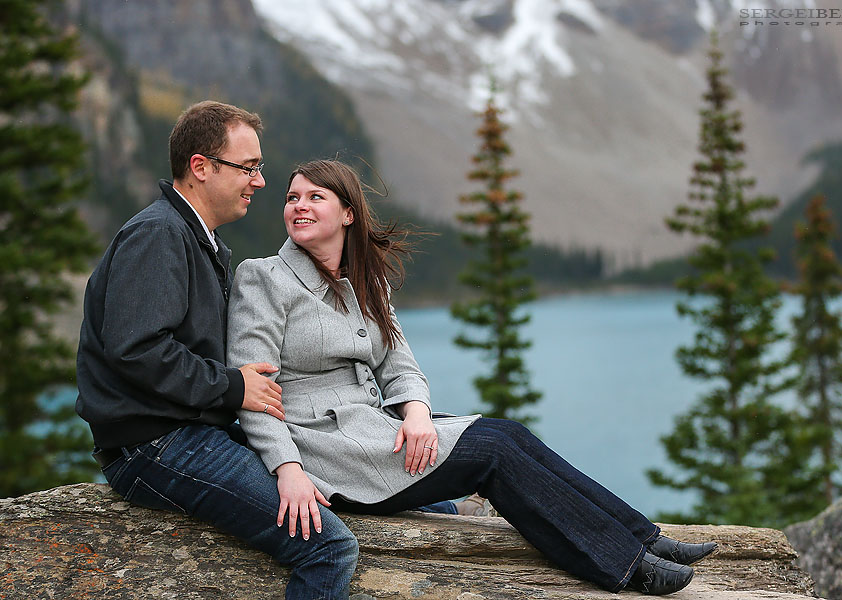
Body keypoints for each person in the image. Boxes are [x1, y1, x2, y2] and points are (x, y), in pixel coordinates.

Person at [226, 159, 717, 595]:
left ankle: (644, 537)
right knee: (494, 454)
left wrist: (416, 415)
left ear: (348, 213)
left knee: (507, 432)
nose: (299, 206)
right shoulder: (264, 277)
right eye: (292, 197)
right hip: (324, 450)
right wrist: (286, 469)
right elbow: (252, 386)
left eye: (316, 197)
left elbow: (399, 364)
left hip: (372, 430)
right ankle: (628, 568)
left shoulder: (365, 280)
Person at [76, 103, 358, 600]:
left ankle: (446, 506)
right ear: (201, 167)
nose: (260, 181)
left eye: (259, 167)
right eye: (248, 167)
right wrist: (233, 386)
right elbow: (137, 349)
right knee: (328, 547)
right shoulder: (159, 234)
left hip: (183, 430)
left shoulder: (195, 238)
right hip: (155, 444)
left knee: (322, 469)